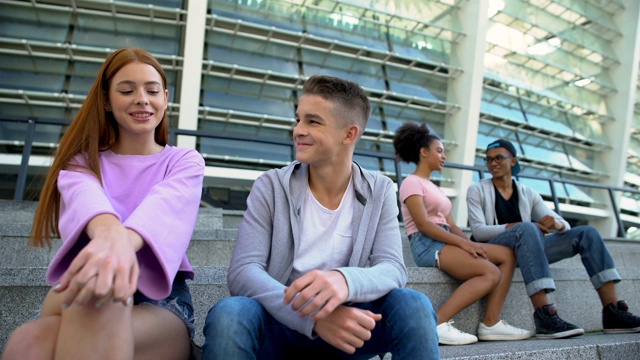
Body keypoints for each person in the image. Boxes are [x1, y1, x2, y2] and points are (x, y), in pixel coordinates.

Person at [202, 75, 439, 359]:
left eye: (313, 121)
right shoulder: (271, 185)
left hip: (347, 328)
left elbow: (393, 268)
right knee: (231, 313)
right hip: (281, 322)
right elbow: (243, 272)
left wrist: (343, 280)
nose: (298, 130)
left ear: (349, 134)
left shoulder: (381, 189)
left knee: (413, 303)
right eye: (298, 119)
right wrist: (312, 317)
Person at [1, 48, 205, 360]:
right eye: (127, 90)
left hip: (160, 301)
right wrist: (110, 236)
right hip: (85, 279)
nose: (141, 98)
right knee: (27, 342)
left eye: (152, 90)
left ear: (165, 99)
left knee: (79, 311)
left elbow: (163, 206)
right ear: (107, 100)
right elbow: (87, 201)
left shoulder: (183, 162)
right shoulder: (81, 163)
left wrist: (117, 240)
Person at [466, 138, 640, 339]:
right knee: (528, 228)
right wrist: (518, 226)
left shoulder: (527, 192)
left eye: (498, 158)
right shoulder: (477, 189)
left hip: (529, 251)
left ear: (513, 161)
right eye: (488, 160)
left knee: (587, 233)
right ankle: (545, 315)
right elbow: (478, 232)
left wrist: (556, 224)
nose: (492, 163)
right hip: (494, 251)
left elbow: (561, 222)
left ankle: (613, 312)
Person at [392, 122, 532, 345]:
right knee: (490, 273)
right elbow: (424, 224)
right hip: (427, 243)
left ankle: (491, 323)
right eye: (439, 151)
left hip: (445, 239)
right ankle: (437, 323)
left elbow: (452, 225)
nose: (443, 156)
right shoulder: (411, 183)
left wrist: (470, 244)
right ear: (423, 152)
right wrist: (464, 245)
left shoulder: (434, 187)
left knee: (506, 255)